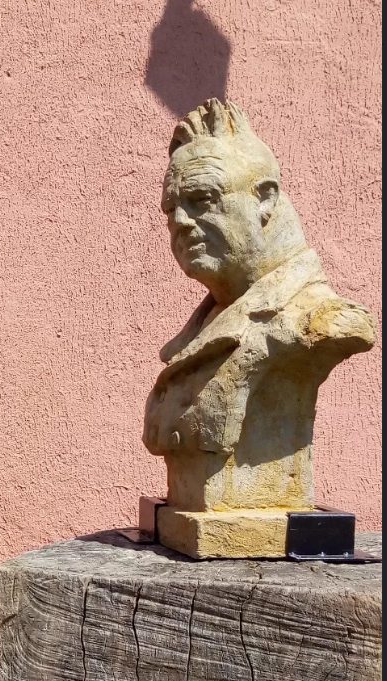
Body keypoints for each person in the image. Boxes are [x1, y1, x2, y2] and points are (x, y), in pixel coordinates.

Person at [142, 99, 374, 520]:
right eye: (171, 209)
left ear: (265, 199)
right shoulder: (198, 332)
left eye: (201, 199)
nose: (181, 221)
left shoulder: (315, 320)